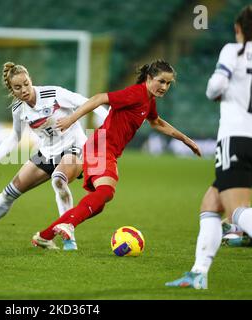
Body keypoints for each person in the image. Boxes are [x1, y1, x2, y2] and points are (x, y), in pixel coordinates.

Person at [31, 60, 202, 250]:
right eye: (161, 81)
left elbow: (157, 123)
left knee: (99, 203)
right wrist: (71, 118)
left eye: (168, 83)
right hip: (101, 147)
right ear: (149, 78)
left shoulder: (148, 100)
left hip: (102, 148)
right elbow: (99, 98)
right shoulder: (136, 93)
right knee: (105, 192)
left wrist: (186, 140)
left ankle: (45, 236)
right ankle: (68, 225)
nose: (165, 87)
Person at [0, 62, 108, 250]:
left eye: (26, 84)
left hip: (74, 148)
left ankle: (69, 236)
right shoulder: (18, 109)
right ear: (12, 90)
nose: (24, 90)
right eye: (18, 87)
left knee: (58, 179)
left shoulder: (54, 94)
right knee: (9, 193)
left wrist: (107, 121)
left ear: (31, 80)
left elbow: (89, 102)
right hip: (47, 153)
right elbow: (15, 137)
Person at [166, 5, 252, 289]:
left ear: (239, 29)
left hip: (236, 138)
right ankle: (198, 273)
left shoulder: (234, 51)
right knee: (211, 204)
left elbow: (215, 87)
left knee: (236, 209)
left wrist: (221, 93)